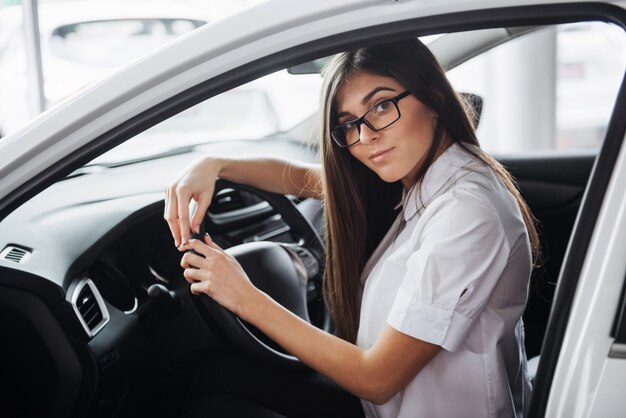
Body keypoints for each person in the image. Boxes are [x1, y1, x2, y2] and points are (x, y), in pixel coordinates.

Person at [164, 38, 539, 418]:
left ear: (436, 97)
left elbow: (377, 379)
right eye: (348, 124)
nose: (365, 136)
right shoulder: (421, 179)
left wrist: (244, 297)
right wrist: (215, 164)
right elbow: (299, 176)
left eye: (380, 106)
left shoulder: (464, 212)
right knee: (218, 383)